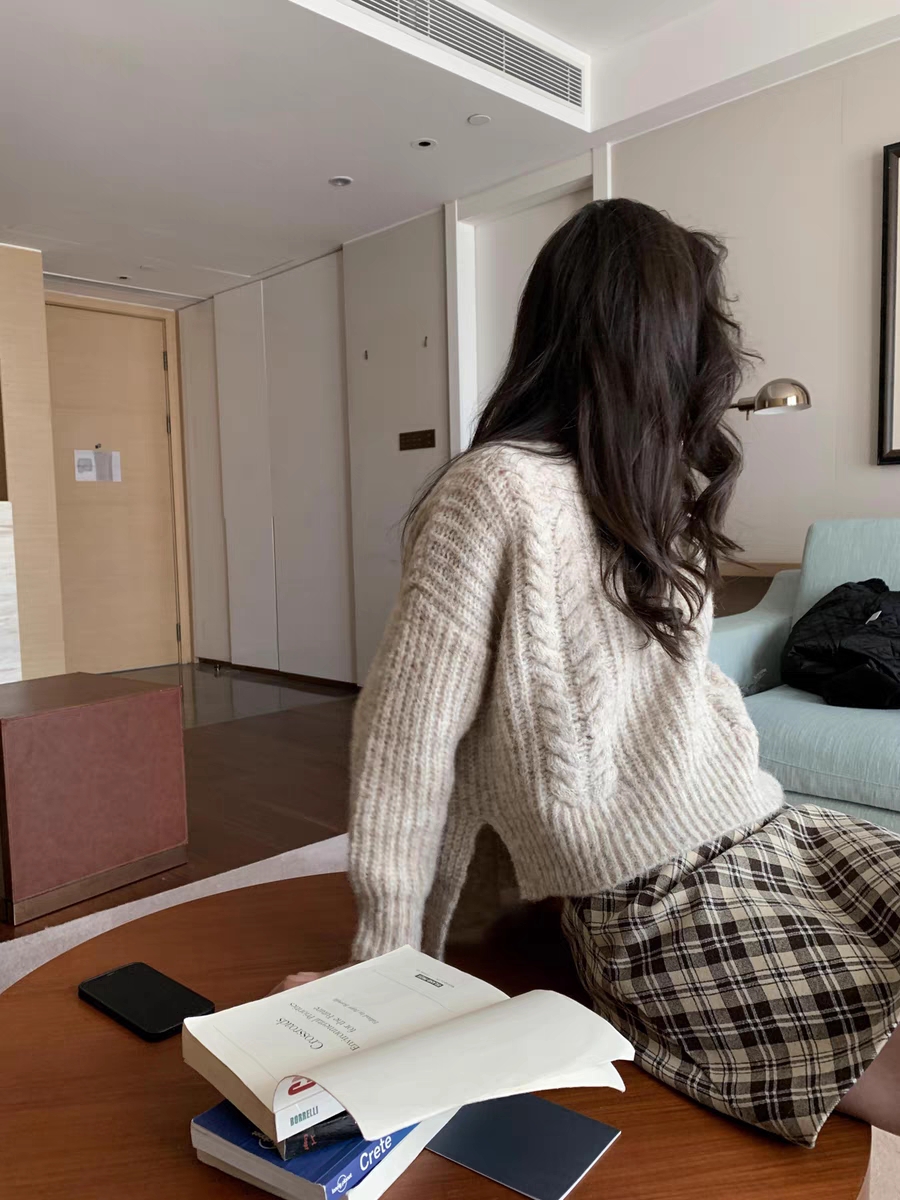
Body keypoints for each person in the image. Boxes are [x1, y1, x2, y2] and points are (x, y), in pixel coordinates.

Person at [274, 198, 900, 1147]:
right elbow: (406, 744)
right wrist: (383, 977)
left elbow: (695, 686)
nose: (720, 350)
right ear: (654, 339)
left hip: (772, 830)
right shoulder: (493, 492)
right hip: (656, 902)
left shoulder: (653, 491)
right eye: (704, 324)